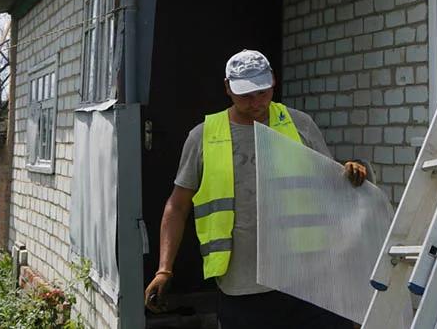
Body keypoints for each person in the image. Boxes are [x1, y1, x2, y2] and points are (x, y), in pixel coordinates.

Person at [144, 49, 368, 328]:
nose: (256, 103)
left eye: (262, 92)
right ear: (227, 88)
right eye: (245, 95)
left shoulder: (299, 125)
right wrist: (164, 269)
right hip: (243, 286)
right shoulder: (203, 136)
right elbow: (177, 206)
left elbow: (329, 187)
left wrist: (353, 169)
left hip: (305, 280)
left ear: (273, 81)